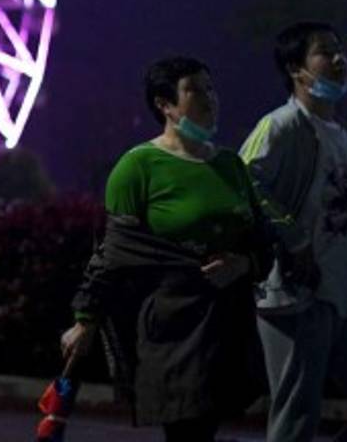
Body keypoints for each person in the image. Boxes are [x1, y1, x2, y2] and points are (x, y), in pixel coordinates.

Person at [62, 56, 269, 442]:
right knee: (189, 428)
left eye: (211, 89)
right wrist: (84, 320)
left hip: (227, 323)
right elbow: (112, 254)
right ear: (165, 105)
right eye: (195, 90)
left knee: (204, 428)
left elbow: (261, 242)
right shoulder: (138, 166)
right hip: (173, 325)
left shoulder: (231, 165)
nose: (210, 99)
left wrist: (243, 263)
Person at [240, 22, 347, 442]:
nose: (338, 60)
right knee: (296, 419)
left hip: (345, 297)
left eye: (339, 51)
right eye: (324, 52)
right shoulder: (279, 127)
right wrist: (292, 239)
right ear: (297, 69)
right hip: (296, 295)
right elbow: (243, 185)